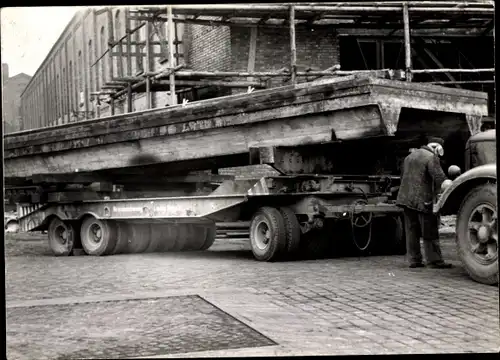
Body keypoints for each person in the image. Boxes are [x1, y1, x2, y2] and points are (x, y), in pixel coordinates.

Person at [396, 136, 453, 269]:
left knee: (411, 231)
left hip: (405, 199)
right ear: (438, 148)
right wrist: (450, 184)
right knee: (430, 230)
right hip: (423, 200)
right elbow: (439, 178)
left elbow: (403, 177)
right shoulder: (431, 157)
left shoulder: (409, 157)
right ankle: (434, 261)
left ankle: (414, 260)